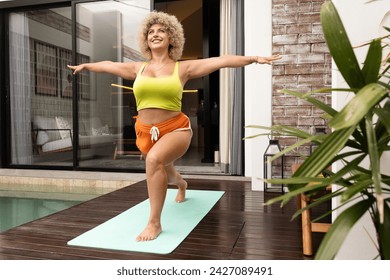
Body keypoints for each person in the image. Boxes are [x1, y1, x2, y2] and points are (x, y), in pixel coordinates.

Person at [68, 11, 281, 242]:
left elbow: (219, 61)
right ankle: (182, 184)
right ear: (145, 39)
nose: (155, 34)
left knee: (153, 161)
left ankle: (154, 223)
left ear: (171, 38)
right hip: (145, 133)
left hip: (175, 129)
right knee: (168, 173)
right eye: (151, 32)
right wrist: (87, 66)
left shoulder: (183, 69)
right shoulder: (137, 68)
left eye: (161, 31)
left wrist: (253, 58)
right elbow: (109, 65)